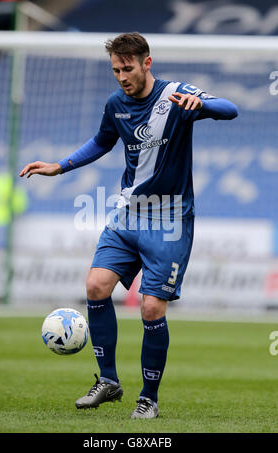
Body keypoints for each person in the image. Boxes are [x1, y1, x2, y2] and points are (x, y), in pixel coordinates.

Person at [20, 32, 238, 419]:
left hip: (170, 218)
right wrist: (59, 166)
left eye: (128, 68)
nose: (122, 76)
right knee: (95, 285)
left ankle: (148, 398)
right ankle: (108, 381)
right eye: (116, 70)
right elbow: (102, 141)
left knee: (152, 308)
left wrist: (200, 102)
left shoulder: (175, 95)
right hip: (128, 214)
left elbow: (230, 108)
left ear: (146, 63)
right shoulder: (116, 103)